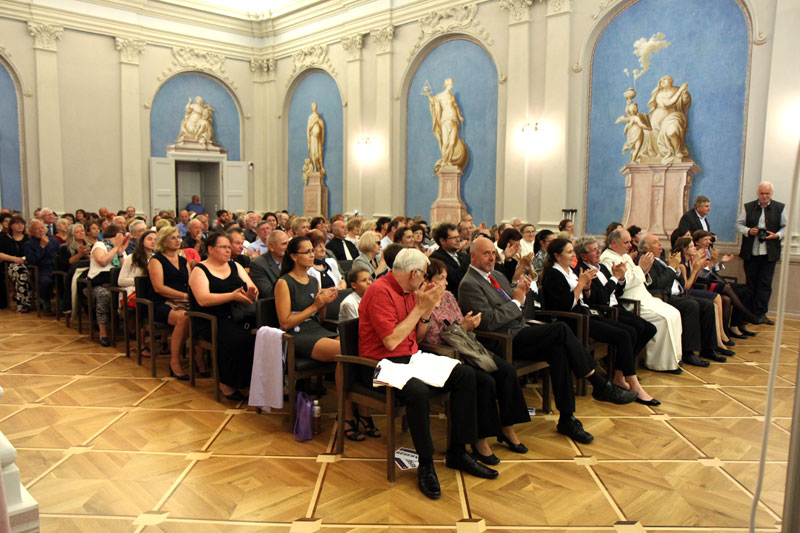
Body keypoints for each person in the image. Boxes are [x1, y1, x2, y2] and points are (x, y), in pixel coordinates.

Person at [459, 237, 638, 445]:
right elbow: (488, 323)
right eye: (486, 253)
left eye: (493, 253)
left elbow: (519, 311)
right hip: (501, 340)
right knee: (560, 329)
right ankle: (598, 383)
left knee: (559, 350)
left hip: (520, 330)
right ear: (473, 256)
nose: (492, 257)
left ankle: (567, 418)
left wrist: (522, 297)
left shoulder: (496, 275)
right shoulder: (469, 284)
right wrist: (516, 301)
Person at [359, 248, 498, 499]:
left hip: (410, 358)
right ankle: (426, 464)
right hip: (380, 363)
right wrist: (420, 308)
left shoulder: (410, 291)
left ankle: (458, 451)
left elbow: (418, 337)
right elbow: (391, 342)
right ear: (414, 273)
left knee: (466, 375)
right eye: (423, 274)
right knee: (419, 392)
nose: (425, 279)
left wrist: (426, 311)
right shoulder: (379, 291)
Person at [424, 258, 531, 463]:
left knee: (507, 371)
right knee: (486, 381)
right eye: (441, 278)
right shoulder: (422, 302)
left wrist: (467, 325)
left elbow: (459, 323)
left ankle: (507, 428)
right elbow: (430, 338)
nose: (446, 283)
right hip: (445, 354)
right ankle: (480, 441)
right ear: (427, 281)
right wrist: (462, 328)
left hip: (467, 347)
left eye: (446, 278)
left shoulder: (448, 297)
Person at [276, 236, 375, 440]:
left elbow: (319, 319)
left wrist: (323, 305)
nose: (312, 255)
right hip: (297, 334)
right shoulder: (284, 282)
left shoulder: (313, 280)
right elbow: (285, 322)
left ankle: (361, 410)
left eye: (312, 251)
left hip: (316, 329)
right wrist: (315, 305)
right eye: (307, 252)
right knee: (345, 352)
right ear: (294, 256)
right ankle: (348, 414)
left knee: (358, 347)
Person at [540, 239, 658, 405]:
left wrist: (587, 287)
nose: (573, 255)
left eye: (573, 251)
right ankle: (633, 384)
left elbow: (587, 299)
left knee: (631, 331)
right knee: (624, 335)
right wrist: (581, 285)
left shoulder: (570, 271)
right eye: (569, 252)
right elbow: (565, 305)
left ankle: (619, 377)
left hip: (586, 313)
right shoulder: (553, 274)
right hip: (573, 321)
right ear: (557, 255)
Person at [600, 229, 684, 372]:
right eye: (626, 242)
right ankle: (660, 363)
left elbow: (638, 276)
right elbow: (623, 283)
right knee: (663, 318)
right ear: (613, 243)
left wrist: (644, 270)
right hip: (631, 300)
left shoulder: (624, 256)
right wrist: (641, 269)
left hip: (645, 297)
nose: (630, 245)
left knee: (674, 313)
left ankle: (673, 359)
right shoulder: (608, 259)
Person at [189, 233, 259, 400]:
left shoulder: (235, 266)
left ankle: (252, 381)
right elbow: (203, 299)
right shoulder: (200, 270)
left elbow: (252, 288)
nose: (228, 250)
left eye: (229, 247)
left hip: (239, 313)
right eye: (223, 247)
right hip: (211, 318)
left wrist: (251, 294)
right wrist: (231, 296)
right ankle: (227, 382)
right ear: (211, 249)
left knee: (262, 333)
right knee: (237, 338)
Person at [640, 234, 723, 364]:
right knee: (692, 305)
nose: (660, 244)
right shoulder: (646, 261)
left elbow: (681, 282)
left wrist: (676, 268)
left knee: (708, 305)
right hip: (664, 297)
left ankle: (708, 348)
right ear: (645, 248)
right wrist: (671, 267)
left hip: (679, 293)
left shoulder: (661, 260)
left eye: (659, 241)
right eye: (655, 242)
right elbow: (657, 284)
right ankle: (688, 352)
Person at [574, 237, 657, 361]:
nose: (599, 252)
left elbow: (617, 291)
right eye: (594, 250)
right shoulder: (583, 272)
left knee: (650, 329)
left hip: (616, 307)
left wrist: (621, 279)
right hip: (605, 311)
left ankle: (618, 362)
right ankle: (622, 366)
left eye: (598, 248)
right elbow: (601, 298)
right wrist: (615, 278)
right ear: (584, 256)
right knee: (635, 329)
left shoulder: (602, 267)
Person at [672, 237, 736, 351]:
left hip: (693, 288)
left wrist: (697, 267)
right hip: (686, 292)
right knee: (717, 297)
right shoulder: (681, 265)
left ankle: (720, 336)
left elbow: (694, 279)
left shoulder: (689, 262)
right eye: (691, 246)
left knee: (716, 304)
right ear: (684, 249)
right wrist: (696, 269)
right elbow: (686, 286)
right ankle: (720, 337)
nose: (694, 248)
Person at [736, 181, 786, 325]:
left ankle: (761, 313)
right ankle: (749, 314)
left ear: (771, 194)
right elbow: (739, 225)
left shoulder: (780, 207)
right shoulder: (748, 207)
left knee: (765, 284)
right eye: (762, 193)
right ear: (758, 193)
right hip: (751, 252)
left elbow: (785, 227)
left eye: (767, 193)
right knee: (750, 284)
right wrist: (748, 231)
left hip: (769, 254)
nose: (764, 196)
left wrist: (776, 235)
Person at [149, 226, 193, 380]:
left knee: (202, 313)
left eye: (178, 237)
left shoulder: (183, 261)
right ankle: (175, 361)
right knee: (184, 318)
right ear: (163, 241)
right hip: (161, 302)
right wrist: (184, 296)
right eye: (173, 238)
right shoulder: (156, 260)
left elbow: (190, 283)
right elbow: (158, 288)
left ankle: (200, 360)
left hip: (183, 300)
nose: (177, 240)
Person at [87, 224, 128, 346]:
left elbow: (125, 268)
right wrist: (115, 248)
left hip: (116, 282)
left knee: (131, 292)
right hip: (98, 283)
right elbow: (103, 261)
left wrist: (120, 254)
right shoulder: (99, 245)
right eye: (121, 235)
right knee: (104, 295)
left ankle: (131, 329)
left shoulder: (120, 248)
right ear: (116, 235)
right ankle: (103, 333)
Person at [422, 78, 468, 172]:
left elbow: (456, 106)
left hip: (454, 120)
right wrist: (428, 94)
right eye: (450, 84)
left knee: (452, 142)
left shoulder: (452, 97)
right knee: (446, 142)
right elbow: (433, 101)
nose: (451, 86)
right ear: (446, 85)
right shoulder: (440, 96)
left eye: (452, 84)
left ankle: (449, 161)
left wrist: (459, 116)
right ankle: (444, 161)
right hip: (445, 120)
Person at [23, 219, 60, 315]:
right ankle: (46, 304)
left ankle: (62, 304)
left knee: (64, 278)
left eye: (42, 228)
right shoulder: (28, 244)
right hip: (41, 269)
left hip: (55, 267)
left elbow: (58, 255)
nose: (41, 231)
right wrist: (42, 246)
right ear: (31, 231)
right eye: (37, 229)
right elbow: (33, 260)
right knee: (45, 281)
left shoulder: (54, 240)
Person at [0, 215, 30, 311]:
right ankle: (23, 303)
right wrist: (13, 258)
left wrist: (23, 258)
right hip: (9, 264)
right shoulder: (4, 238)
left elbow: (32, 252)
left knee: (25, 270)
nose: (20, 226)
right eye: (17, 223)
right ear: (11, 226)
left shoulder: (28, 238)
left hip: (27, 263)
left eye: (22, 223)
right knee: (20, 271)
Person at [429, 223, 469, 296]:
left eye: (458, 237)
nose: (458, 240)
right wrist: (471, 256)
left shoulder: (462, 256)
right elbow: (455, 278)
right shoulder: (436, 258)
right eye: (454, 238)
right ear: (442, 241)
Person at [250, 230, 289, 298]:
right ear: (271, 247)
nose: (288, 247)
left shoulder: (292, 260)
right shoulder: (258, 264)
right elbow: (268, 293)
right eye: (284, 244)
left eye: (289, 243)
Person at [307, 102, 326, 174]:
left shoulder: (318, 116)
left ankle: (321, 167)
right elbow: (309, 128)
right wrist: (314, 122)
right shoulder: (310, 117)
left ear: (316, 107)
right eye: (312, 106)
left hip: (318, 138)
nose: (313, 107)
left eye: (315, 105)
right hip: (313, 137)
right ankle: (315, 167)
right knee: (313, 152)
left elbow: (322, 126)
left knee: (319, 152)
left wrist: (318, 121)